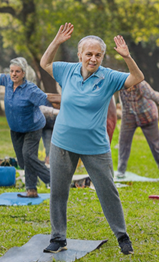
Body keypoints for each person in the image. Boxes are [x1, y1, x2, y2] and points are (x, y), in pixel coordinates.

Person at [40, 23, 144, 256]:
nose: (93, 59)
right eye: (89, 54)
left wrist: (127, 57)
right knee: (58, 191)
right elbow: (44, 64)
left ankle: (122, 236)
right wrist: (56, 41)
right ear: (80, 55)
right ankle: (58, 238)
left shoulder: (109, 77)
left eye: (98, 55)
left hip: (95, 146)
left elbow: (137, 77)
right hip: (62, 143)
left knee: (108, 191)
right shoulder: (67, 70)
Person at [0, 57, 53, 198]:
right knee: (23, 162)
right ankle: (32, 191)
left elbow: (47, 101)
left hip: (32, 127)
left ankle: (53, 180)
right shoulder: (7, 81)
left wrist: (66, 105)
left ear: (23, 73)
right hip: (16, 129)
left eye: (17, 71)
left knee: (28, 155)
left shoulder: (31, 90)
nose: (14, 74)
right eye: (12, 71)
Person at [117, 80, 159, 181]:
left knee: (155, 144)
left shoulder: (141, 84)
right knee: (123, 143)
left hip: (147, 115)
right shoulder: (120, 85)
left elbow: (154, 95)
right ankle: (120, 171)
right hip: (129, 116)